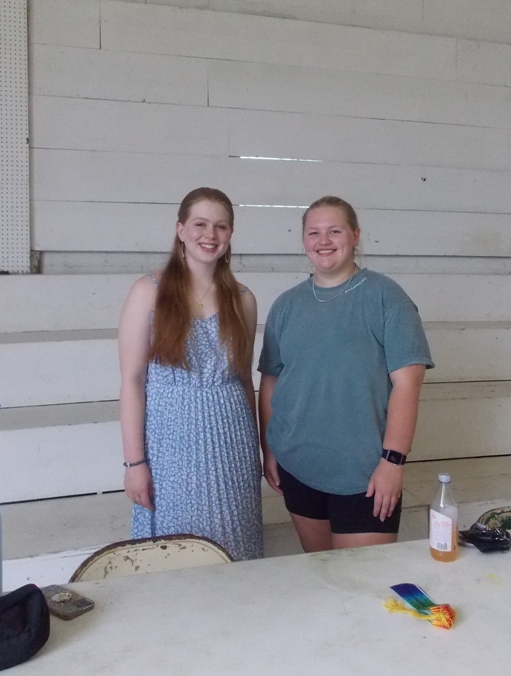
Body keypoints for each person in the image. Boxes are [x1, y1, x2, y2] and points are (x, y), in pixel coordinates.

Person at [258, 196, 433, 552]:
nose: (323, 241)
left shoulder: (387, 298)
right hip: (298, 466)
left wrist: (393, 462)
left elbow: (407, 385)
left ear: (355, 236)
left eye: (334, 231)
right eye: (314, 232)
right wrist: (269, 449)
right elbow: (271, 382)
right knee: (321, 572)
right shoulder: (286, 305)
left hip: (365, 475)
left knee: (363, 579)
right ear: (304, 240)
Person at [117, 187, 263, 561]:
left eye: (221, 226)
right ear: (181, 229)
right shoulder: (147, 291)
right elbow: (132, 381)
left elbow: (244, 380)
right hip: (169, 447)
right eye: (200, 224)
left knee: (235, 549)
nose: (210, 234)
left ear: (231, 234)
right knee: (176, 552)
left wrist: (258, 452)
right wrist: (135, 464)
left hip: (232, 443)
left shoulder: (243, 299)